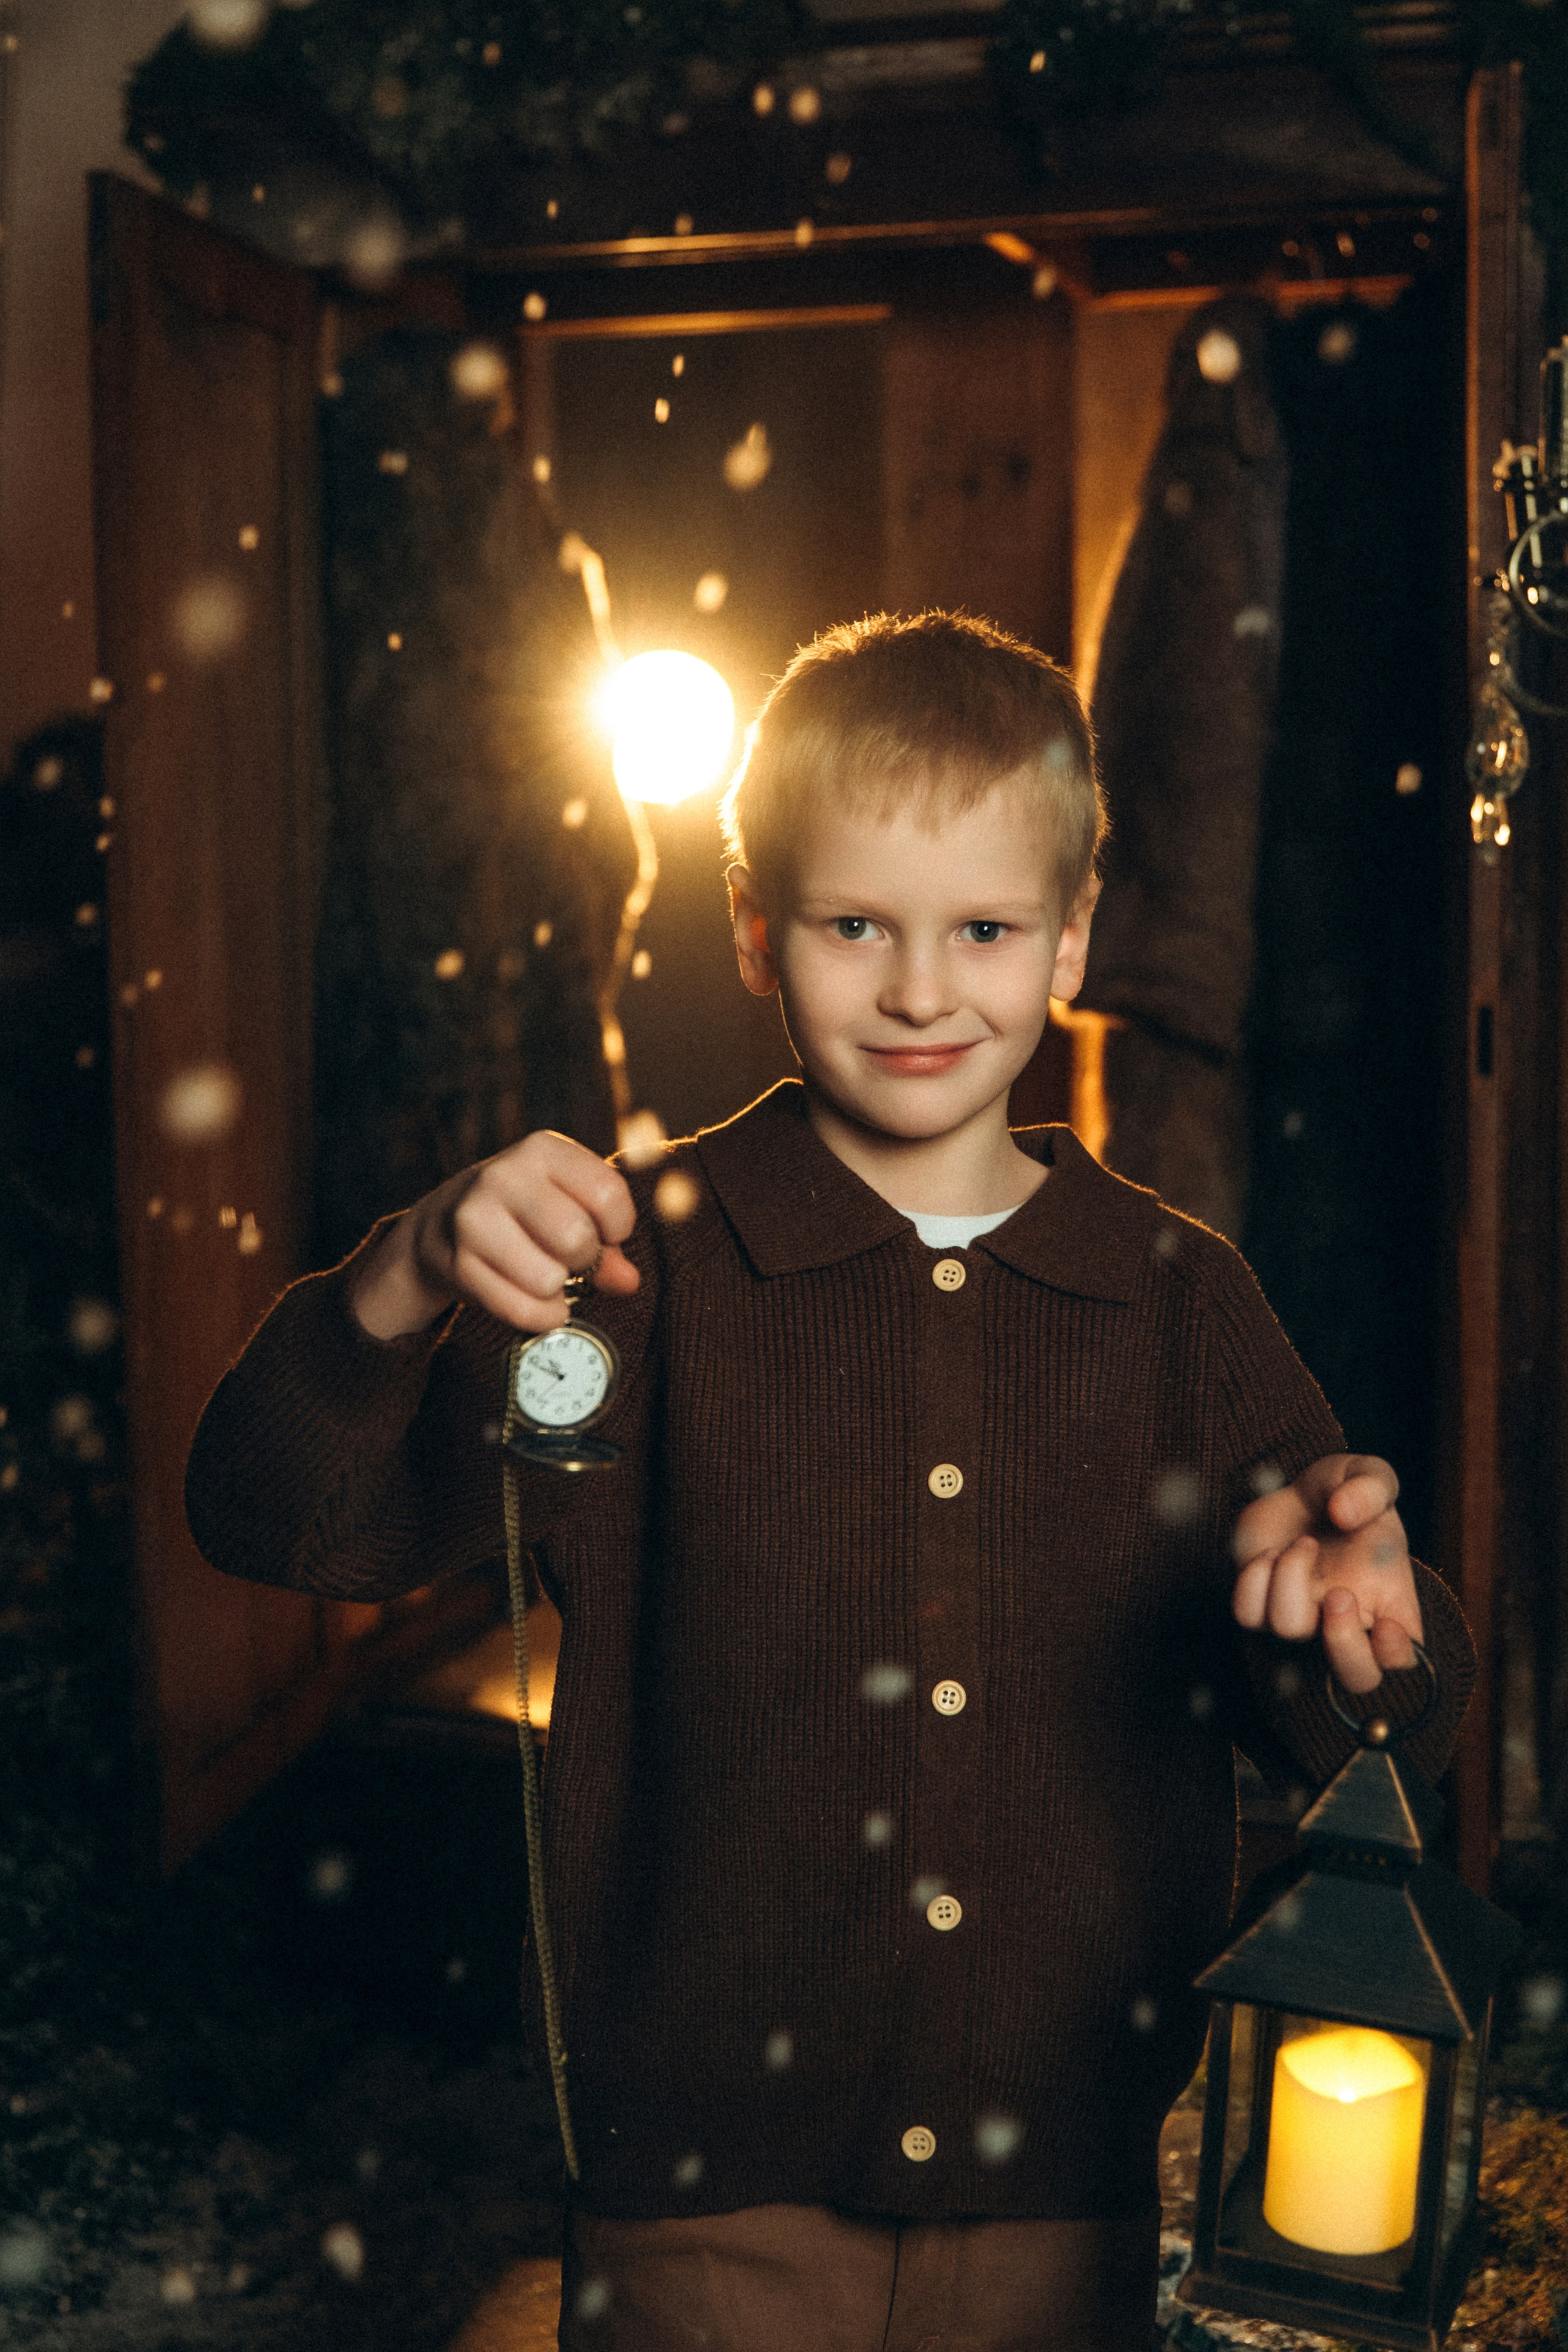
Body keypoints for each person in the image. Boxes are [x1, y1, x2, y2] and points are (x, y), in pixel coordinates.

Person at [187, 611, 1474, 2352]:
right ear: (753, 933)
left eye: (987, 928)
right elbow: (277, 1522)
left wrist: (1353, 1620)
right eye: (856, 923)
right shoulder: (641, 1277)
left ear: (1075, 938)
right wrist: (399, 1276)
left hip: (1066, 2176)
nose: (924, 988)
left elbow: (1380, 1731)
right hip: (697, 2188)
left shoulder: (1181, 1299)